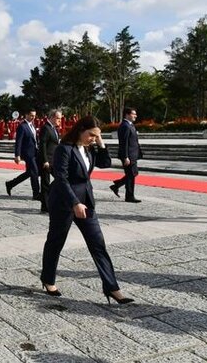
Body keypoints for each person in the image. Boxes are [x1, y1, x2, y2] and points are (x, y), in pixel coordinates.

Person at [40, 116, 134, 305]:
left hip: (86, 202)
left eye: (96, 136)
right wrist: (74, 202)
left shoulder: (89, 149)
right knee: (56, 241)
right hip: (65, 202)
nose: (93, 138)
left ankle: (112, 287)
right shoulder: (64, 149)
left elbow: (105, 163)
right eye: (91, 135)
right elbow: (61, 178)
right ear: (80, 130)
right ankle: (48, 279)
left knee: (98, 244)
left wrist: (101, 143)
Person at [110, 107, 143, 203]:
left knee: (132, 174)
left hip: (132, 154)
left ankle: (116, 185)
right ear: (127, 115)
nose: (135, 116)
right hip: (128, 155)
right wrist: (125, 157)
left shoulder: (130, 125)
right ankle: (129, 196)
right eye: (133, 114)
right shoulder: (125, 126)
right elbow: (123, 143)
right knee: (131, 174)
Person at [5, 110, 40, 199]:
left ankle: (10, 184)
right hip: (28, 154)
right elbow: (18, 142)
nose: (33, 117)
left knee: (30, 172)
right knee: (35, 172)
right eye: (31, 115)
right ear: (26, 115)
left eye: (34, 116)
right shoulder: (22, 126)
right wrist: (17, 155)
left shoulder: (32, 125)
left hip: (35, 152)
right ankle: (36, 194)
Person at [37, 110, 62, 213]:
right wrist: (45, 160)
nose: (60, 121)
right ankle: (45, 206)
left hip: (53, 160)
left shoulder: (53, 129)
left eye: (60, 118)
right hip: (46, 161)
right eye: (58, 118)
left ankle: (48, 201)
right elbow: (42, 145)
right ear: (51, 117)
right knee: (45, 183)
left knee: (60, 179)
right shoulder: (46, 128)